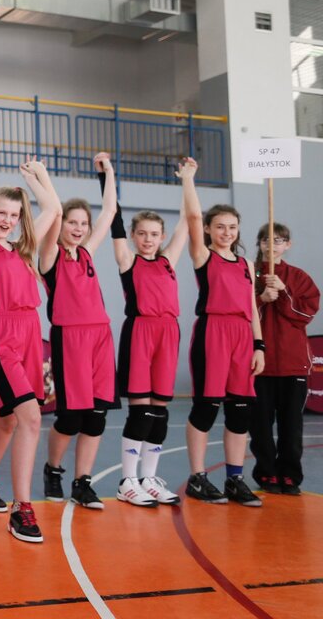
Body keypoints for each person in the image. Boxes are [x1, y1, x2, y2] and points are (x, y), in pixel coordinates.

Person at [0, 132, 61, 544]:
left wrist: (37, 176)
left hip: (29, 335)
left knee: (7, 419)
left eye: (14, 215)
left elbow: (53, 208)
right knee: (31, 418)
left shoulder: (23, 250)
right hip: (0, 336)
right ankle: (23, 510)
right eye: (1, 212)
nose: (6, 219)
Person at [181, 158, 265, 506]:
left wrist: (259, 345)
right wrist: (188, 179)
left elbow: (252, 308)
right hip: (213, 332)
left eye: (232, 227)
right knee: (206, 408)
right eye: (220, 227)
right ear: (209, 229)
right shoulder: (203, 255)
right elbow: (192, 217)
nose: (227, 232)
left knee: (240, 412)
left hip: (243, 336)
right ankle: (198, 478)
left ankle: (234, 479)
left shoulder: (246, 264)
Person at [40, 153, 119, 510]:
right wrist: (42, 178)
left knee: (97, 417)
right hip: (70, 339)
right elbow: (54, 212)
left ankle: (82, 482)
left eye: (83, 223)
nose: (78, 227)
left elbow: (110, 211)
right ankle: (53, 469)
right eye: (72, 222)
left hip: (100, 337)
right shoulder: (50, 256)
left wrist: (107, 173)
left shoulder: (86, 253)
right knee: (71, 418)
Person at [111, 170, 189, 507]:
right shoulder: (128, 260)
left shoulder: (168, 260)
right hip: (140, 333)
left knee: (160, 411)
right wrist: (107, 176)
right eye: (141, 233)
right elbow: (113, 221)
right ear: (133, 236)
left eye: (154, 234)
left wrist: (188, 179)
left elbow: (189, 219)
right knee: (140, 411)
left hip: (168, 334)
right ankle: (128, 480)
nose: (148, 239)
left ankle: (149, 478)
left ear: (163, 236)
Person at [250, 222, 319, 496]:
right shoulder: (250, 273)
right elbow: (240, 314)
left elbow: (304, 315)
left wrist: (283, 293)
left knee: (291, 426)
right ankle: (266, 472)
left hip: (293, 364)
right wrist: (261, 298)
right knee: (260, 426)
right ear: (260, 244)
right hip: (260, 364)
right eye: (266, 240)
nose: (272, 244)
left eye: (278, 240)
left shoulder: (299, 277)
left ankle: (290, 475)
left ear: (288, 245)